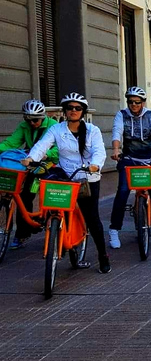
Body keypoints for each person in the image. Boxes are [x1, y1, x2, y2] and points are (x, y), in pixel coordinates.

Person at [22, 94, 110, 273]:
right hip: (65, 175)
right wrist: (31, 158)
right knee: (55, 204)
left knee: (92, 218)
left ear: (83, 111)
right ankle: (58, 232)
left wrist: (95, 165)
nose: (73, 111)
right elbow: (42, 145)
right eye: (70, 108)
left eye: (78, 108)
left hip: (87, 177)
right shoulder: (57, 129)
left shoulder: (93, 130)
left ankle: (103, 255)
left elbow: (99, 151)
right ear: (65, 111)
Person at [109, 86, 151, 248]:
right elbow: (117, 132)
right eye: (130, 102)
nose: (134, 105)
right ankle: (114, 230)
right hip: (130, 158)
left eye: (137, 102)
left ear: (143, 103)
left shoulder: (150, 115)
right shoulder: (121, 115)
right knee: (123, 191)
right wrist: (116, 150)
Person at [0, 100, 58, 249]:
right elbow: (11, 143)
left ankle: (52, 222)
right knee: (23, 194)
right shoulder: (24, 126)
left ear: (43, 117)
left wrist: (46, 155)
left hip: (49, 164)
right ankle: (22, 234)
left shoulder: (53, 126)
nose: (32, 123)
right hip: (30, 164)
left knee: (42, 193)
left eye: (35, 120)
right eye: (28, 119)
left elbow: (59, 149)